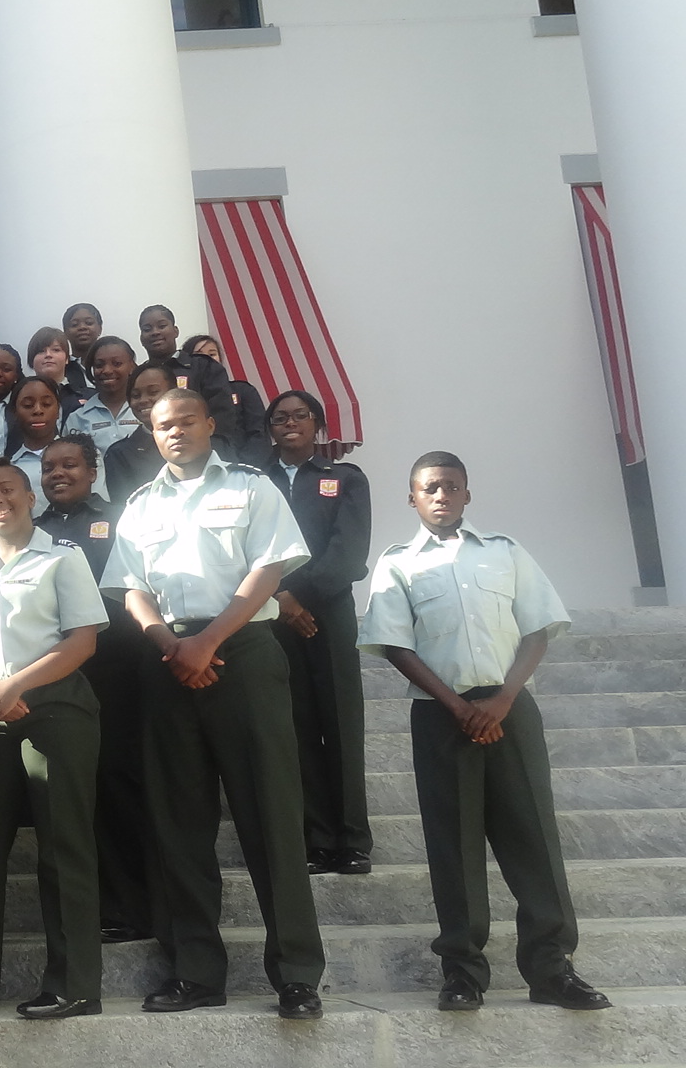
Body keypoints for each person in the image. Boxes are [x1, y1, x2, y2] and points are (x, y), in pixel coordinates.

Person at [100, 388, 325, 1022]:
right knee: (178, 825)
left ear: (209, 423)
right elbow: (129, 588)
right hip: (169, 659)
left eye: (185, 421)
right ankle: (196, 973)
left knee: (272, 818)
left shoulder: (253, 487)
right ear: (153, 433)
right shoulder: (141, 506)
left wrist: (208, 641)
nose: (175, 432)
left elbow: (269, 571)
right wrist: (173, 644)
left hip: (242, 653)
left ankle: (298, 974)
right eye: (163, 426)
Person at [358, 452, 610, 1014]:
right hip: (441, 715)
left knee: (533, 839)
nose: (441, 495)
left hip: (509, 708)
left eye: (451, 486)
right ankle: (463, 972)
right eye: (429, 487)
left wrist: (501, 700)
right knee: (455, 844)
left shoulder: (504, 552)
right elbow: (395, 642)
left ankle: (551, 968)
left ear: (468, 494)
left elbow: (538, 631)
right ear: (413, 498)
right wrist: (457, 705)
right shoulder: (398, 564)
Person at [0, 459, 107, 1020]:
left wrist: (17, 682)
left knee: (65, 845)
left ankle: (75, 983)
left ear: (31, 496)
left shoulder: (64, 557)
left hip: (56, 709)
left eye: (7, 490)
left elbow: (82, 641)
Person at [32, 434, 153, 945]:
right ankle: (87, 909)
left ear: (92, 469)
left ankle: (134, 906)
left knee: (120, 788)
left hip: (118, 673)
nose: (58, 474)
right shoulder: (31, 531)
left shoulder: (120, 519)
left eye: (69, 465)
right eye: (49, 467)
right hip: (54, 679)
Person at [261, 391, 374, 877]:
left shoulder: (343, 478)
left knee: (340, 725)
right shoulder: (253, 483)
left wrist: (295, 594)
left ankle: (351, 840)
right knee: (297, 727)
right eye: (280, 417)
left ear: (318, 425)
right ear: (269, 428)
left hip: (328, 614)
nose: (290, 423)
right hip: (271, 616)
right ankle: (316, 838)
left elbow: (348, 552)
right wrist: (280, 599)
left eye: (300, 415)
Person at [137, 306, 243, 450]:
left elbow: (223, 418)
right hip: (154, 456)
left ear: (175, 331)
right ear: (141, 338)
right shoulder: (139, 376)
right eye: (147, 329)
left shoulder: (203, 367)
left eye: (161, 326)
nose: (155, 332)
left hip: (206, 455)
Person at [100, 361, 179, 500]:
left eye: (153, 392)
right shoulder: (119, 454)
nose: (143, 400)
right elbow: (124, 505)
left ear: (174, 393)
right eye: (135, 395)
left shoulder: (200, 440)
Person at [186, 334, 266, 459]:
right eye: (199, 355)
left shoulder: (243, 390)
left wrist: (242, 468)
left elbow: (258, 434)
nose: (207, 359)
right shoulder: (183, 398)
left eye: (212, 354)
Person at [61, 337, 139, 459]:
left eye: (117, 363)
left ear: (132, 367)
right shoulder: (77, 418)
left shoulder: (146, 410)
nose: (107, 370)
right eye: (99, 365)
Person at [5, 375, 62, 513]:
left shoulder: (84, 456)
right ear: (14, 413)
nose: (38, 410)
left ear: (58, 410)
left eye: (47, 404)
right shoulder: (9, 468)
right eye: (28, 405)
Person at [27, 326, 92, 411]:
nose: (48, 355)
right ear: (32, 359)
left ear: (67, 359)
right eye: (41, 351)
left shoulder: (89, 396)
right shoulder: (20, 396)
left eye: (56, 350)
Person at [62, 303, 104, 375]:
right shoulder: (60, 369)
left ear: (100, 328)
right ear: (65, 332)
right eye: (74, 324)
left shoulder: (112, 366)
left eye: (89, 323)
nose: (82, 327)